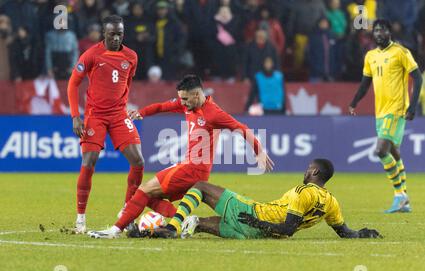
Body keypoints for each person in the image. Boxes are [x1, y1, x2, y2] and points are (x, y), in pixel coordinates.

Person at [88, 74, 274, 239]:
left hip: (193, 169)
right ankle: (182, 219)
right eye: (180, 99)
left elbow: (241, 128)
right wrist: (141, 112)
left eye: (185, 99)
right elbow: (162, 106)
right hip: (187, 166)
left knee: (144, 190)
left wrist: (259, 152)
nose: (182, 102)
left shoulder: (214, 113)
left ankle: (115, 230)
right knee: (148, 197)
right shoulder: (187, 105)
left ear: (196, 95)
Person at [130, 159, 382, 240]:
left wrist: (255, 219)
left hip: (254, 215)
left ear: (315, 172)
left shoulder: (303, 191)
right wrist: (363, 233)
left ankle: (171, 228)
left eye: (308, 168)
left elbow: (288, 228)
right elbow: (345, 232)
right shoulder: (332, 203)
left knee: (200, 186)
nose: (305, 171)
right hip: (257, 235)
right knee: (198, 223)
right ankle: (151, 232)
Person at [67, 15, 147, 234]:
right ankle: (80, 219)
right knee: (89, 160)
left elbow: (126, 84)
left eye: (119, 34)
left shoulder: (131, 56)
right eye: (111, 34)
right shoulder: (92, 54)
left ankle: (126, 212)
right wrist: (76, 116)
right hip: (95, 115)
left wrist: (121, 106)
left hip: (119, 115)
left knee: (138, 161)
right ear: (104, 34)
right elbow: (73, 84)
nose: (116, 38)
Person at [349, 19, 423, 213]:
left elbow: (417, 77)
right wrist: (354, 101)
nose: (379, 33)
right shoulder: (370, 56)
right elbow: (365, 83)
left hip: (396, 109)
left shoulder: (401, 52)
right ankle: (404, 201)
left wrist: (413, 107)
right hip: (380, 112)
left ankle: (399, 195)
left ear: (389, 32)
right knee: (394, 152)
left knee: (381, 150)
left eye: (383, 30)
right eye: (376, 30)